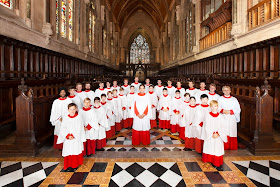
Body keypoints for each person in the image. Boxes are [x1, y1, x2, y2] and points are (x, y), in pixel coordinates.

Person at [57, 103, 86, 172]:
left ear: (76, 109)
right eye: (70, 109)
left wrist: (73, 135)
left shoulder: (78, 118)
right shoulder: (66, 118)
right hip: (68, 138)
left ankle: (74, 165)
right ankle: (68, 165)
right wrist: (67, 135)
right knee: (68, 151)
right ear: (68, 110)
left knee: (75, 151)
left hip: (75, 138)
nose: (72, 111)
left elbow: (79, 128)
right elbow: (63, 128)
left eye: (73, 109)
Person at [202, 100, 227, 168]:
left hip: (218, 136)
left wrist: (218, 133)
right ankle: (210, 159)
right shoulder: (207, 115)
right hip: (210, 135)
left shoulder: (221, 116)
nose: (214, 108)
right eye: (212, 106)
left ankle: (216, 161)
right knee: (210, 146)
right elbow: (206, 126)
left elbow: (223, 126)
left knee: (217, 148)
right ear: (210, 107)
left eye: (215, 106)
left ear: (217, 107)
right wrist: (212, 133)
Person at [218, 86, 241, 150]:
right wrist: (223, 111)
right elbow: (217, 107)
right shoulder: (220, 99)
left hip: (231, 117)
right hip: (223, 117)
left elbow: (238, 109)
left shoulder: (234, 99)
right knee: (224, 130)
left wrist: (231, 111)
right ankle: (224, 146)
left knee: (231, 131)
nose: (226, 91)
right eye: (225, 90)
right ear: (222, 91)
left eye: (228, 90)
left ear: (230, 91)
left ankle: (232, 146)